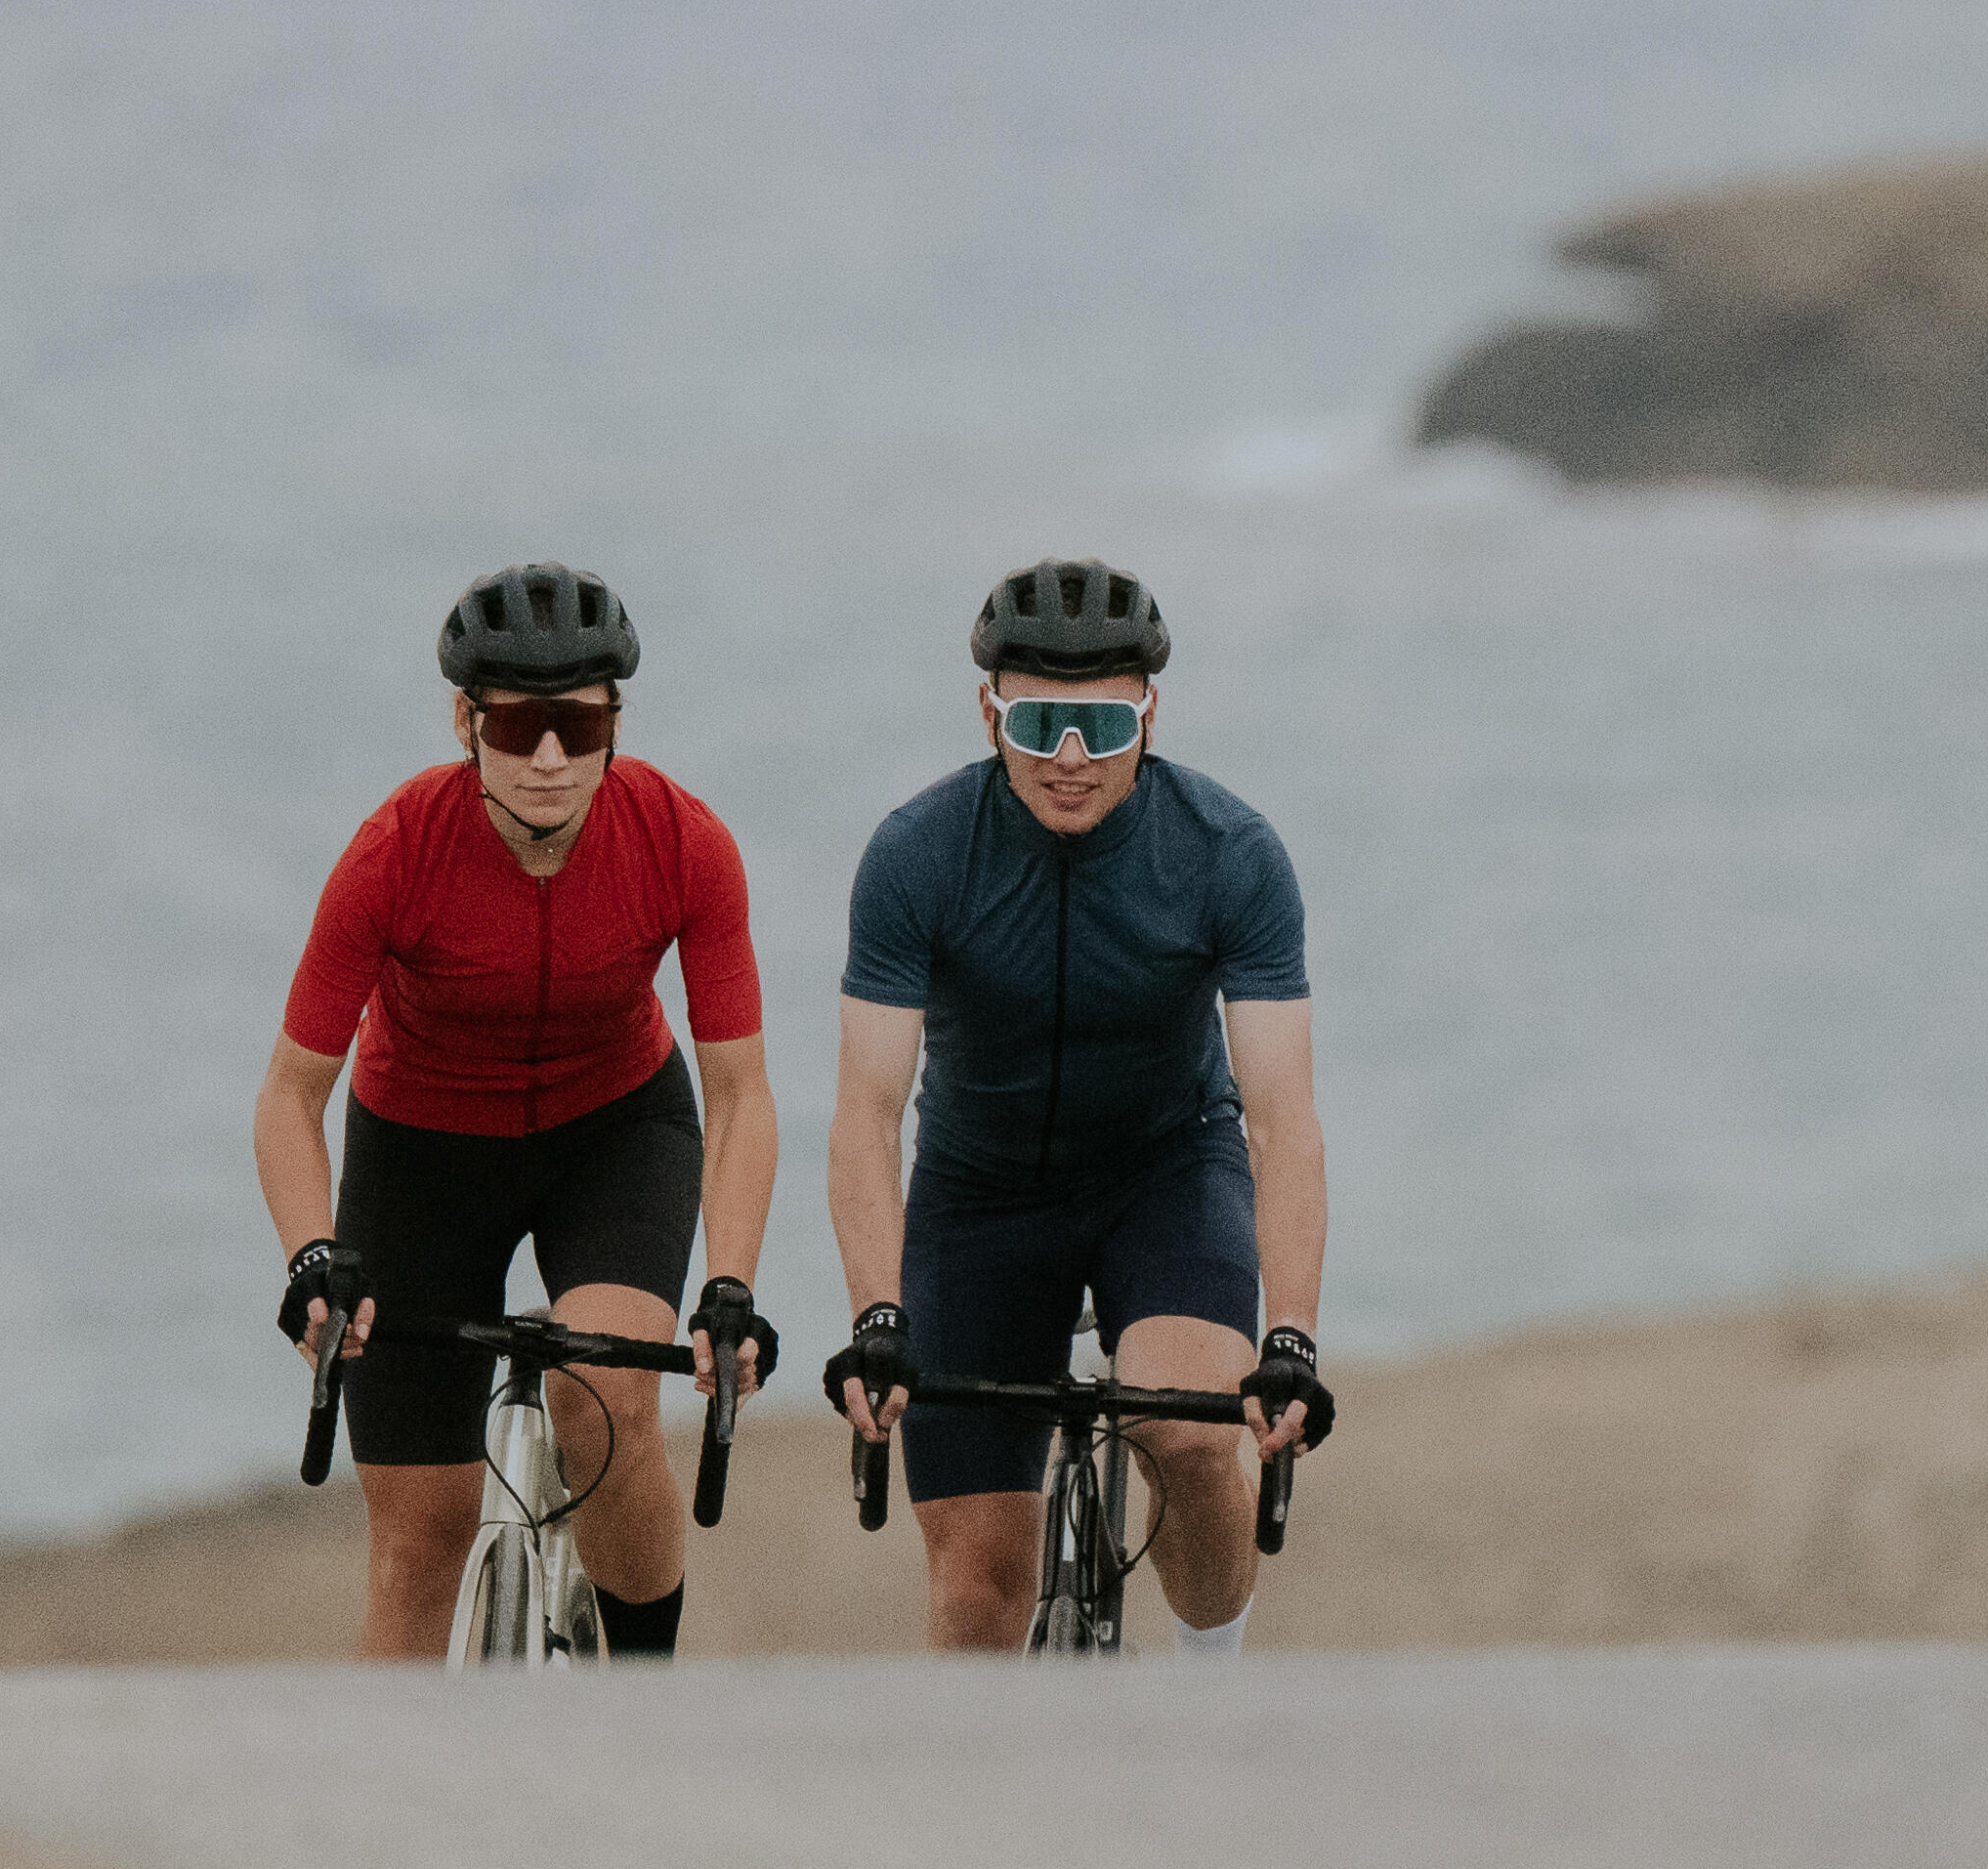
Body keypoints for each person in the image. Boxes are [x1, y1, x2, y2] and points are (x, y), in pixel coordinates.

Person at [254, 562, 782, 1658]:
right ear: (465, 721)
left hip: (614, 1132)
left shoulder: (684, 842)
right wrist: (311, 1254)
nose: (550, 756)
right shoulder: (392, 853)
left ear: (613, 723)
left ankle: (640, 1687)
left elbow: (737, 1093)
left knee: (605, 1401)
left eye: (579, 724)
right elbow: (289, 1097)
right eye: (518, 723)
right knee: (417, 1540)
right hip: (419, 1152)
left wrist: (728, 1284)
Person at [818, 557, 1334, 1653]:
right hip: (977, 1192)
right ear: (987, 710)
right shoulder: (913, 856)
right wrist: (876, 1316)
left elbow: (1280, 1118)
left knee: (1188, 1435)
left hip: (1165, 1174)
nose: (1066, 758)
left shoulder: (1229, 855)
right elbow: (866, 1111)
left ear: (1148, 713)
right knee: (973, 1602)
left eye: (1099, 727)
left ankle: (1208, 1683)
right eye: (1038, 720)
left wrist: (1287, 1333)